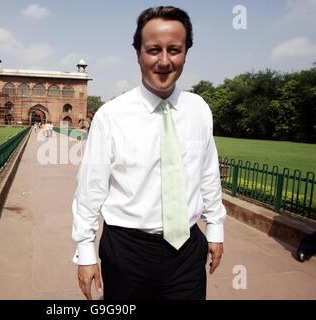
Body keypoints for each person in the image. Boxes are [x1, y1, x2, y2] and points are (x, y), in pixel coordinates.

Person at [72, 6, 226, 300]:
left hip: (187, 250)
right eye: (154, 49)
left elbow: (208, 173)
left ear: (186, 52)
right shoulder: (112, 116)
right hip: (128, 252)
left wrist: (215, 229)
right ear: (139, 53)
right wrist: (85, 252)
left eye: (175, 50)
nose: (165, 61)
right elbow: (90, 189)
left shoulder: (198, 110)